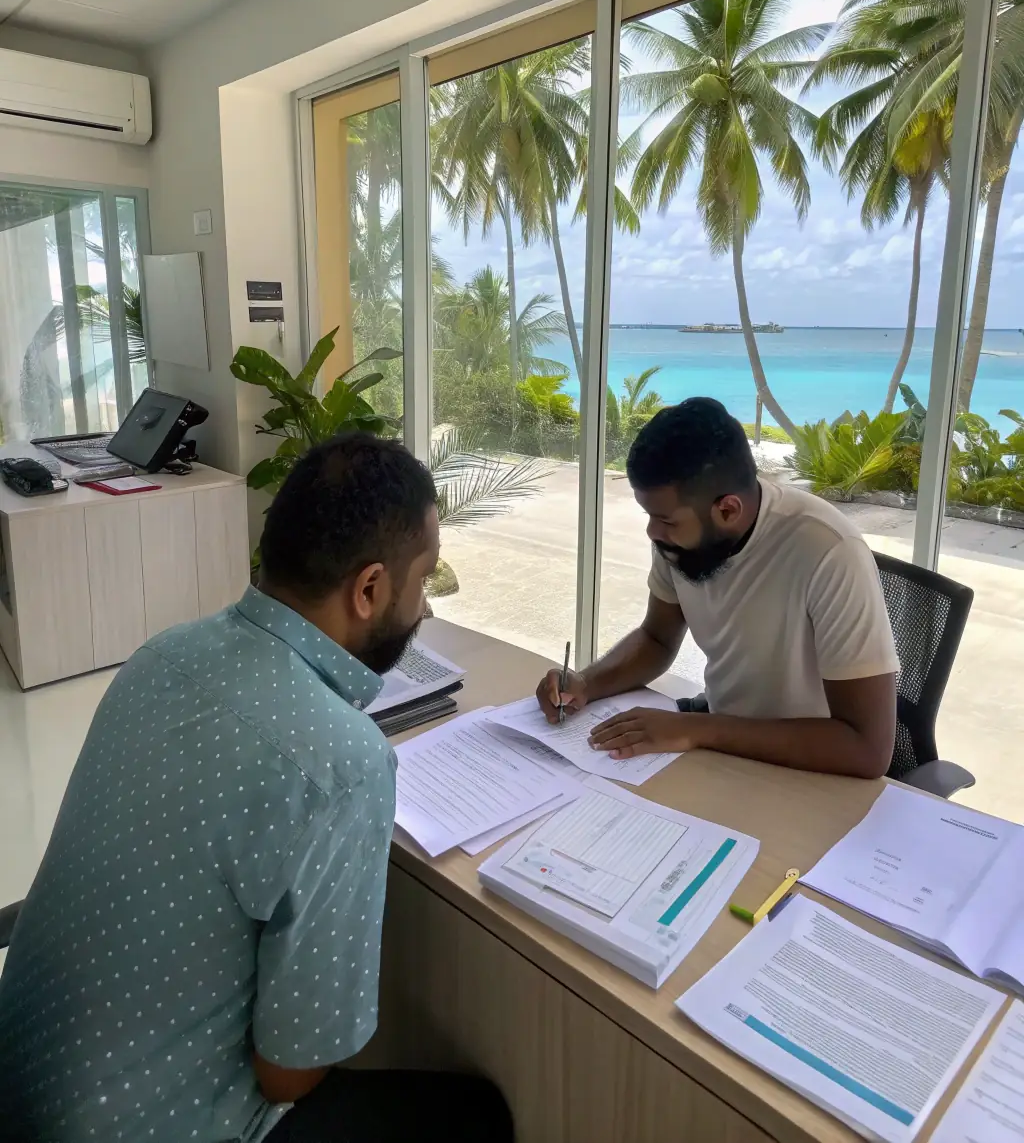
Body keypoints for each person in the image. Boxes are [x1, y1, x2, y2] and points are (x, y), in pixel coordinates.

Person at [0, 433, 512, 1143]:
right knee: (478, 1116)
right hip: (152, 1127)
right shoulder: (344, 764)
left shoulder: (160, 655)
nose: (423, 605)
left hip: (22, 1088)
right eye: (423, 579)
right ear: (368, 589)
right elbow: (289, 1075)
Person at [537, 398, 899, 779]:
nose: (652, 533)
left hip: (809, 771)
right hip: (724, 749)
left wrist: (697, 730)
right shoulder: (680, 541)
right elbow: (657, 638)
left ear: (727, 510)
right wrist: (586, 684)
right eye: (649, 516)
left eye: (665, 520)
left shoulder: (828, 551)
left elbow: (867, 749)